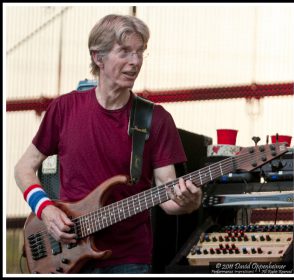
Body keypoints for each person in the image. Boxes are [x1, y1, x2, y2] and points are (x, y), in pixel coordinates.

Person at [14, 14, 202, 274]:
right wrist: (45, 209)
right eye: (124, 52)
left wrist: (189, 201)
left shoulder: (156, 119)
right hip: (66, 252)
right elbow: (23, 168)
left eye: (140, 52)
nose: (135, 62)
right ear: (98, 57)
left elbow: (168, 197)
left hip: (129, 258)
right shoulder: (64, 108)